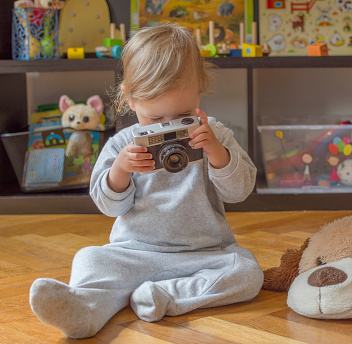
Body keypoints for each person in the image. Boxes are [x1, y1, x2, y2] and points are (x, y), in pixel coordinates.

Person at [29, 23, 264, 339]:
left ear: (200, 91)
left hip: (204, 253)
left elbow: (241, 190)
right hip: (135, 253)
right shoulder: (122, 145)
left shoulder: (213, 134)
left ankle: (165, 296)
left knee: (247, 271)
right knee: (90, 257)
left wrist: (217, 152)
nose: (168, 129)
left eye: (182, 115)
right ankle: (84, 309)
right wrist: (121, 172)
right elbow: (108, 205)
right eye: (155, 121)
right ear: (129, 99)